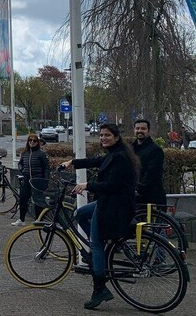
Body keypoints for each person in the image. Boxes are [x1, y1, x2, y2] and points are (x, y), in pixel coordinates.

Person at [61, 123, 139, 311]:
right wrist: (73, 162)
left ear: (116, 137)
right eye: (102, 135)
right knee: (80, 214)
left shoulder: (120, 158)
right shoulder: (115, 153)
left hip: (113, 205)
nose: (104, 138)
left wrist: (87, 185)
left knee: (95, 243)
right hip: (111, 201)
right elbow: (97, 161)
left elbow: (112, 185)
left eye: (108, 135)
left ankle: (99, 289)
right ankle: (100, 252)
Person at [12, 135, 49, 226]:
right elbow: (20, 163)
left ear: (37, 143)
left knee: (38, 200)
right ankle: (21, 219)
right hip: (27, 179)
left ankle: (39, 219)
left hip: (37, 180)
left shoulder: (41, 154)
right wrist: (22, 170)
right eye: (30, 140)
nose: (32, 142)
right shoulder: (25, 153)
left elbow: (46, 168)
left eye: (34, 141)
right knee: (23, 199)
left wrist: (45, 180)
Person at [133, 119, 166, 207]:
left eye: (143, 129)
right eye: (137, 128)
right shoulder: (131, 149)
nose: (139, 131)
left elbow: (152, 174)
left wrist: (138, 188)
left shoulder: (155, 150)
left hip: (150, 198)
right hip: (134, 195)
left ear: (148, 131)